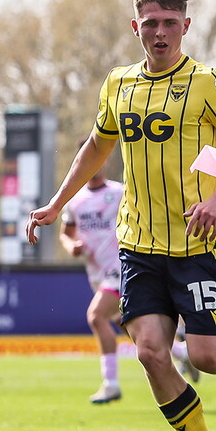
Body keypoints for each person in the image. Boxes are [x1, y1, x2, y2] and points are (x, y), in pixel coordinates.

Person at [26, 0, 216, 431]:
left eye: (169, 23)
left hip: (195, 247)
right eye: (150, 23)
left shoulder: (206, 83)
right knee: (152, 352)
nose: (160, 32)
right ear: (136, 27)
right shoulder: (118, 84)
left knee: (210, 358)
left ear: (186, 26)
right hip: (137, 246)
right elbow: (95, 147)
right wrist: (56, 204)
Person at [58, 161, 125, 404]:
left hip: (119, 268)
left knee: (96, 316)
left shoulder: (119, 193)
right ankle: (182, 353)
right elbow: (66, 233)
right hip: (96, 274)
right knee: (131, 326)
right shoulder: (76, 201)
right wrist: (71, 246)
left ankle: (111, 384)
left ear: (105, 161)